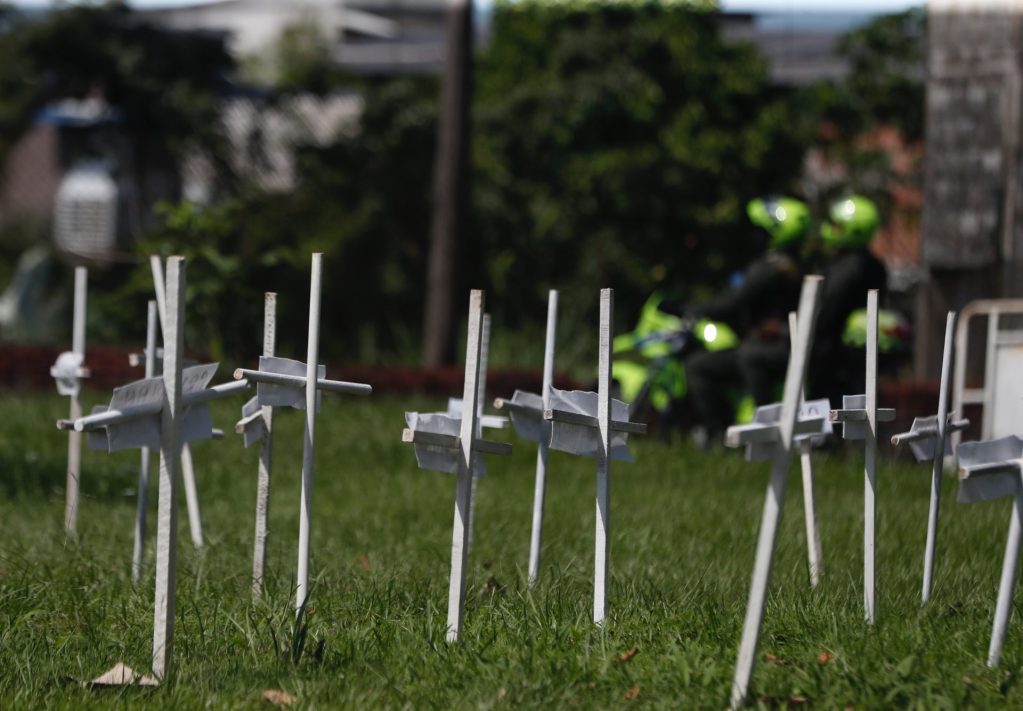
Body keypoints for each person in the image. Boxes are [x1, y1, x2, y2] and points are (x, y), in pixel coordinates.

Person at [686, 196, 809, 440]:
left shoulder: (772, 267)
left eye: (761, 230)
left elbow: (734, 302)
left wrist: (693, 309)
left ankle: (724, 434)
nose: (755, 236)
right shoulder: (797, 264)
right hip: (777, 344)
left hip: (773, 347)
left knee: (699, 366)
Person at [808, 194, 888, 405]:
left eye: (837, 225)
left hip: (831, 354)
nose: (829, 229)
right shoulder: (874, 265)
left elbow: (826, 310)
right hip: (851, 355)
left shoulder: (849, 268)